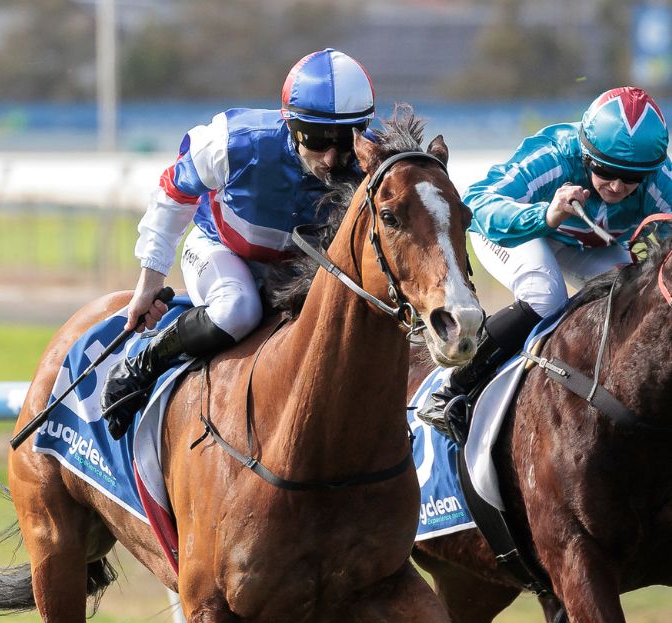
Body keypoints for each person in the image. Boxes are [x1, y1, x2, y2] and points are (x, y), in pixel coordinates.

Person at [100, 48, 375, 440]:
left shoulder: (375, 158)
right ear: (291, 124)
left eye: (347, 140)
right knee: (238, 308)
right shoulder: (236, 141)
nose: (332, 159)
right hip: (223, 251)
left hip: (301, 270)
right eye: (317, 138)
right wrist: (149, 283)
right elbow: (173, 192)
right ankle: (145, 361)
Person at [419, 86, 672, 442]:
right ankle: (454, 389)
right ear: (586, 155)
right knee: (546, 294)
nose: (616, 186)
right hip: (515, 231)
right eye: (605, 170)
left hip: (584, 244)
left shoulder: (660, 180)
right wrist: (546, 213)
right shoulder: (554, 156)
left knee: (628, 295)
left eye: (632, 177)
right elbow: (477, 203)